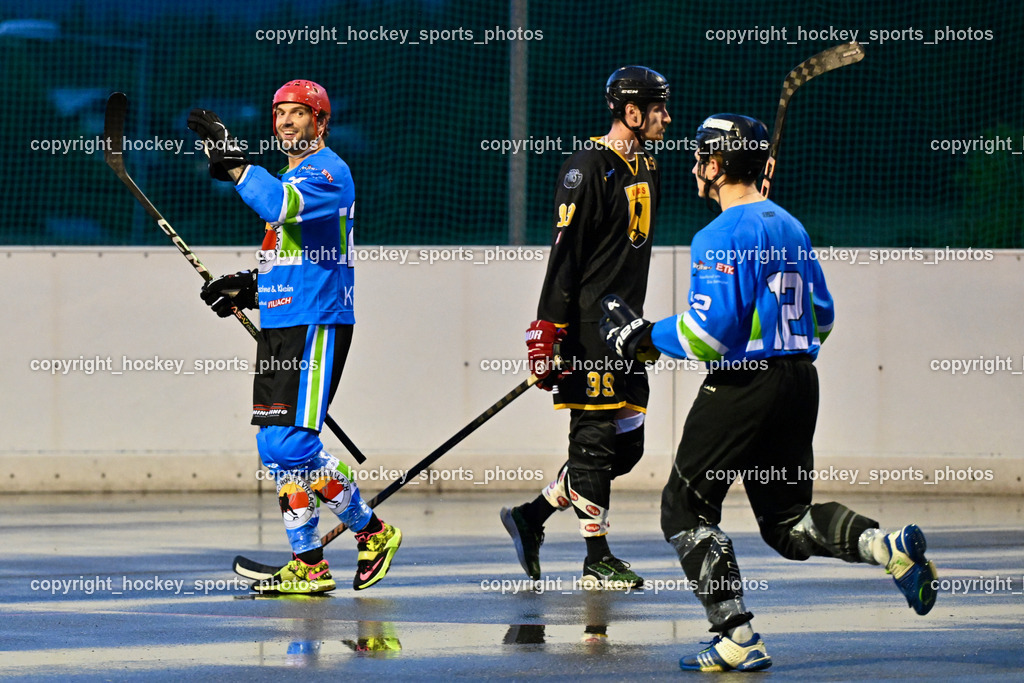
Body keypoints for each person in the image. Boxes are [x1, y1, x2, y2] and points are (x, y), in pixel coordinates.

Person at [602, 113, 938, 671]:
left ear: (716, 165)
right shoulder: (791, 226)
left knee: (684, 510)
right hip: (799, 381)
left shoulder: (719, 234)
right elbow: (823, 317)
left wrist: (643, 335)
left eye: (700, 157)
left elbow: (709, 335)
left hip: (743, 385)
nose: (694, 166)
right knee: (788, 523)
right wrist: (781, 349)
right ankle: (887, 546)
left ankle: (736, 636)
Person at [187, 79, 401, 594]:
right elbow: (291, 256)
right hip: (283, 321)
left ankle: (373, 532)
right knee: (274, 446)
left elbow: (277, 206)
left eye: (299, 112)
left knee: (292, 443)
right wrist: (248, 287)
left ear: (320, 122)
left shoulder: (328, 172)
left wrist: (233, 161)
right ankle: (308, 564)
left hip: (316, 322)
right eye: (280, 112)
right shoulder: (293, 174)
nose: (286, 120)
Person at [500, 66, 671, 589]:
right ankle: (597, 558)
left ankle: (531, 515)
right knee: (593, 440)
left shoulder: (647, 163)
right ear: (631, 112)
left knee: (627, 447)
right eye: (658, 108)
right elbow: (565, 255)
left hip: (627, 327)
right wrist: (547, 331)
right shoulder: (586, 167)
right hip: (588, 327)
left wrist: (752, 183)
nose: (667, 117)